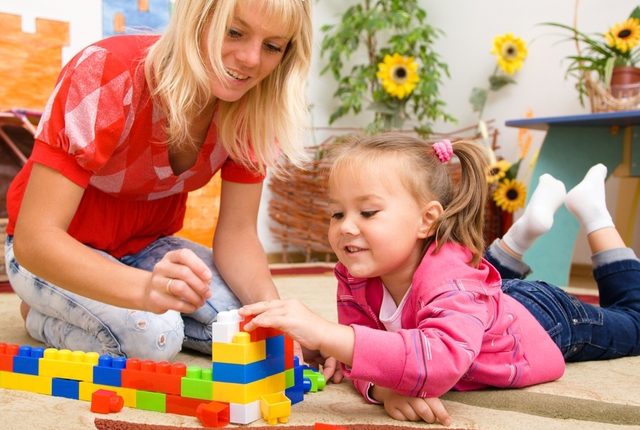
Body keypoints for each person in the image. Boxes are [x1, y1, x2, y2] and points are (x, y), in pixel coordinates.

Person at [239, 132, 640, 426]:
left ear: (426, 219)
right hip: (476, 303)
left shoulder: (453, 281)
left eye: (368, 212)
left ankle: (594, 214)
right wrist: (383, 388)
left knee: (634, 320)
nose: (346, 227)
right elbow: (362, 357)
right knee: (467, 285)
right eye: (337, 213)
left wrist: (327, 334)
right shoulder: (357, 273)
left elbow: (440, 360)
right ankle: (520, 237)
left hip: (543, 320)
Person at [4, 0, 313, 361]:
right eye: (234, 32)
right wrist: (144, 290)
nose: (250, 59)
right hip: (55, 253)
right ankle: (39, 314)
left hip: (147, 247)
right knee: (155, 336)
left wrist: (276, 319)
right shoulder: (106, 71)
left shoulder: (255, 109)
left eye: (272, 46)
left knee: (248, 329)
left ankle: (87, 310)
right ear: (197, 18)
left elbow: (238, 233)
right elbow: (35, 239)